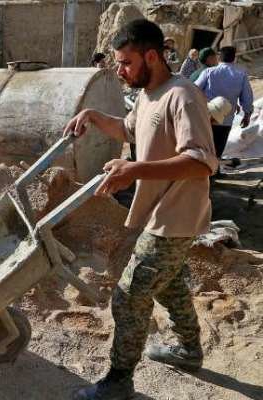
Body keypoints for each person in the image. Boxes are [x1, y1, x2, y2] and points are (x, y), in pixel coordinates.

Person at [65, 19, 217, 400]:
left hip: (176, 215)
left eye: (126, 62)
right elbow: (131, 130)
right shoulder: (148, 94)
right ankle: (188, 348)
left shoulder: (182, 96)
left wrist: (135, 170)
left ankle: (118, 383)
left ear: (152, 55)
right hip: (157, 214)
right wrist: (96, 117)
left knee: (130, 295)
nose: (120, 71)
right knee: (168, 286)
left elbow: (201, 160)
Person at [195, 46, 254, 161]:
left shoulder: (209, 72)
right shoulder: (240, 74)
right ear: (234, 58)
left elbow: (194, 90)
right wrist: (247, 115)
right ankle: (214, 171)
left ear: (219, 57)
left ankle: (205, 174)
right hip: (226, 120)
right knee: (218, 149)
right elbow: (247, 97)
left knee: (204, 148)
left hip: (206, 117)